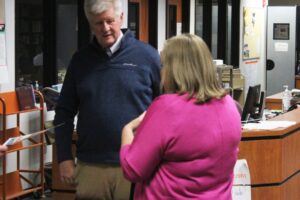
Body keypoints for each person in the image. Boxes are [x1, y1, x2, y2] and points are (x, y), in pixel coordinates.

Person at [53, 0, 161, 199]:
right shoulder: (80, 60)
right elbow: (64, 111)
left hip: (136, 163)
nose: (105, 28)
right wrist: (64, 158)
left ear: (121, 18)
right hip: (91, 165)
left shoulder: (148, 56)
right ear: (89, 23)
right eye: (98, 23)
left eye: (110, 21)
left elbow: (165, 108)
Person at [120, 34, 241, 199]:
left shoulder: (166, 108)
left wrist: (127, 129)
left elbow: (132, 169)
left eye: (163, 65)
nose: (161, 72)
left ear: (174, 69)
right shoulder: (230, 106)